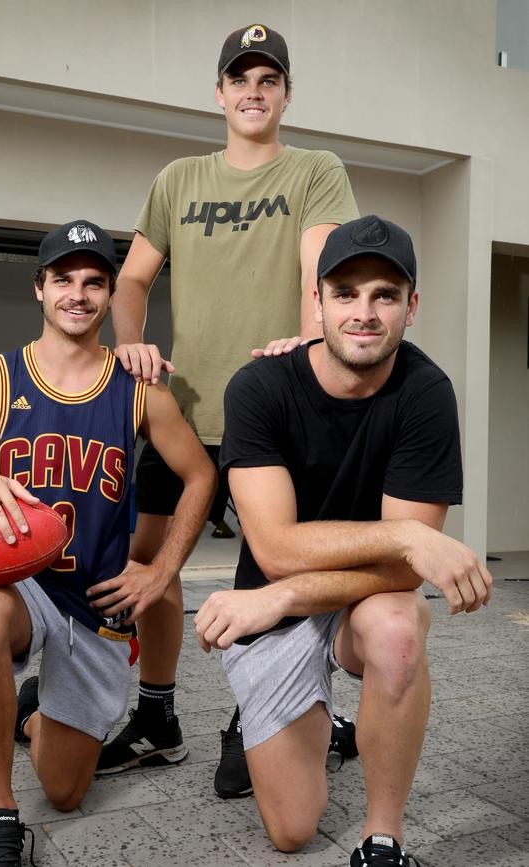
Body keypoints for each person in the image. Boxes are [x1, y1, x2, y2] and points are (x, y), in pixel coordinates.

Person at [98, 23, 359, 794]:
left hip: (273, 411)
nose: (253, 90)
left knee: (271, 572)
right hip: (182, 413)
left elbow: (323, 266)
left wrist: (308, 343)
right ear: (219, 93)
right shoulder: (179, 179)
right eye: (239, 79)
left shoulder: (316, 169)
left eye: (268, 80)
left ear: (284, 94)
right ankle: (157, 715)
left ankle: (265, 715)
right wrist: (132, 348)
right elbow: (132, 280)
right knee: (147, 564)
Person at [194, 215, 493, 864]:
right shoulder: (260, 388)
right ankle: (310, 720)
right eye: (346, 292)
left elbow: (401, 576)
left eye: (385, 294)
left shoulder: (427, 394)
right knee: (293, 829)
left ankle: (381, 838)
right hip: (268, 609)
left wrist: (291, 591)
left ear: (411, 307)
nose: (364, 310)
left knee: (399, 625)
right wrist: (407, 536)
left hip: (351, 604)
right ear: (318, 302)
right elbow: (274, 548)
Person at [0, 220, 216, 867]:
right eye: (64, 278)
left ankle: (29, 712)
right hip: (22, 585)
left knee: (65, 791)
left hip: (95, 598)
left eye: (94, 282)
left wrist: (160, 571)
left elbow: (201, 473)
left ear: (108, 293)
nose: (78, 293)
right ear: (40, 287)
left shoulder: (137, 386)